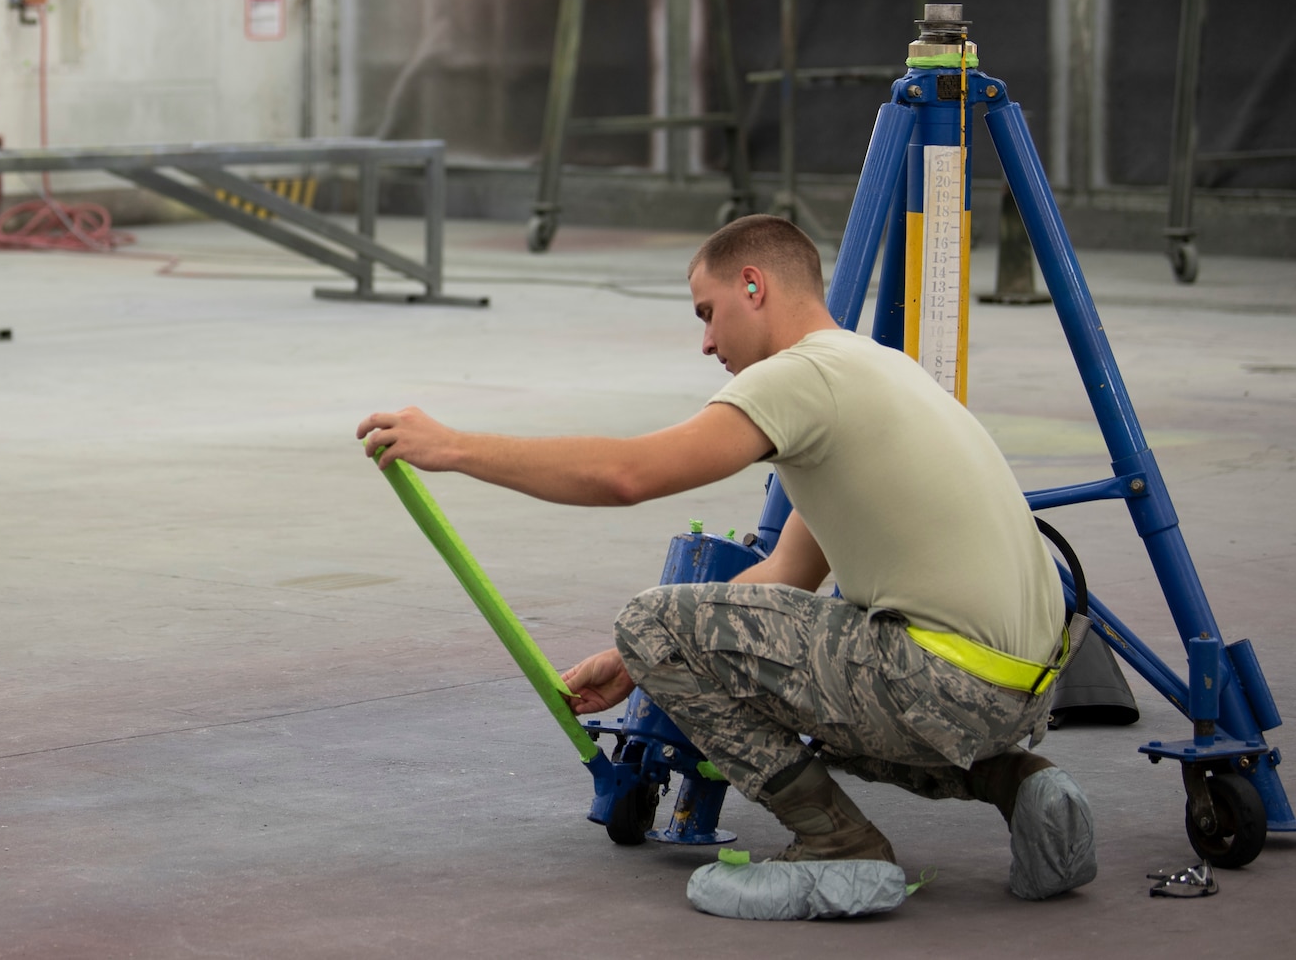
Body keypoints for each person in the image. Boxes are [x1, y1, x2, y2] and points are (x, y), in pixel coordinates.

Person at [356, 215, 1095, 901]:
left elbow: (628, 475)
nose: (707, 343)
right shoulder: (880, 371)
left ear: (754, 285)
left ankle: (836, 844)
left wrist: (455, 446)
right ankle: (1019, 784)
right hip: (1022, 695)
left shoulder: (800, 376)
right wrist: (634, 661)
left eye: (707, 312)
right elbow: (786, 577)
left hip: (940, 681)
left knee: (650, 616)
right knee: (718, 656)